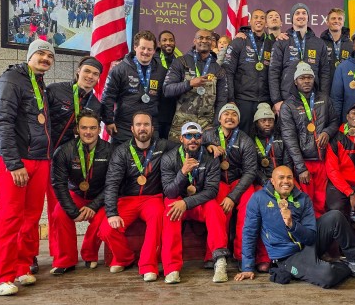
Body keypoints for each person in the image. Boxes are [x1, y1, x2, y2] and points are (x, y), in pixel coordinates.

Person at [235, 165, 355, 286]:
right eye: (281, 177)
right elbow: (249, 233)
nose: (286, 181)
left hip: (309, 243)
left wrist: (292, 224)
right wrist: (247, 267)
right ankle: (345, 267)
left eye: (289, 177)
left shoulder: (302, 198)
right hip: (288, 257)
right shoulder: (258, 198)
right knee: (327, 276)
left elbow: (311, 236)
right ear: (272, 181)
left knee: (335, 216)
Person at [0, 40, 55, 296]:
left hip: (39, 159)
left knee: (30, 218)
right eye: (41, 53)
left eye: (50, 55)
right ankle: (0, 276)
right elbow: (2, 122)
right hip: (16, 160)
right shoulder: (11, 79)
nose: (45, 58)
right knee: (10, 218)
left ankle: (21, 266)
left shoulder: (39, 83)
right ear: (29, 55)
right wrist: (13, 163)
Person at [99, 111, 176, 282]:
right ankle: (125, 258)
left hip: (152, 198)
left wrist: (208, 145)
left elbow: (186, 147)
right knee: (106, 229)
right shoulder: (121, 151)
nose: (143, 128)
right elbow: (112, 183)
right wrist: (112, 213)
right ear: (132, 129)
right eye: (139, 125)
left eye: (146, 124)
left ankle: (148, 266)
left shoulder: (163, 146)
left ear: (152, 128)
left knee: (157, 217)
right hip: (127, 199)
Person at [44, 56, 102, 268]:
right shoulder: (56, 90)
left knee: (56, 208)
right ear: (78, 71)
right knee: (30, 212)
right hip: (43, 156)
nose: (90, 77)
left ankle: (58, 254)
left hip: (68, 162)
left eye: (95, 74)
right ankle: (30, 256)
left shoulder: (95, 103)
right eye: (87, 71)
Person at [161, 122, 230, 284]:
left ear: (202, 138)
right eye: (188, 136)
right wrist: (183, 173)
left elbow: (211, 191)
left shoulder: (210, 157)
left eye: (197, 136)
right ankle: (172, 268)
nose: (193, 140)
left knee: (214, 207)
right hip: (178, 202)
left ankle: (219, 261)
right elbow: (169, 191)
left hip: (197, 202)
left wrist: (187, 202)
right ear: (181, 138)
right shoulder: (169, 158)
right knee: (170, 205)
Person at [50, 110, 112, 274]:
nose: (88, 132)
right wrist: (72, 211)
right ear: (77, 129)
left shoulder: (111, 151)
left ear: (99, 129)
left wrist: (93, 205)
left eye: (92, 128)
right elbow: (59, 184)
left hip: (100, 197)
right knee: (59, 214)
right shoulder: (63, 151)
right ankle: (65, 260)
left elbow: (113, 184)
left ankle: (89, 255)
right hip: (75, 194)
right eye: (84, 128)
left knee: (102, 218)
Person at [202, 104, 258, 268]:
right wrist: (207, 147)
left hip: (239, 181)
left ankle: (243, 255)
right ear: (219, 118)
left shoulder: (245, 139)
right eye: (226, 114)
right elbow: (191, 149)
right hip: (216, 181)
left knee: (249, 207)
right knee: (217, 210)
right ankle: (213, 255)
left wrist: (233, 197)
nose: (230, 117)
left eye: (234, 115)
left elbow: (250, 171)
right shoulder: (207, 135)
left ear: (238, 120)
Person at [280, 62, 338, 216]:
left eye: (309, 78)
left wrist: (327, 132)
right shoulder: (288, 106)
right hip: (304, 162)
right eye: (302, 78)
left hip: (323, 160)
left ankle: (320, 232)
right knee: (305, 202)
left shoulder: (324, 99)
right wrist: (300, 168)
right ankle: (308, 232)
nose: (306, 81)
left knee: (321, 200)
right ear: (295, 81)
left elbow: (334, 122)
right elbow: (289, 138)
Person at [101, 30, 167, 146]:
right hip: (124, 127)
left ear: (154, 50)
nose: (146, 52)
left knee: (148, 163)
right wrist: (108, 121)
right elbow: (108, 97)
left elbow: (164, 100)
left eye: (149, 49)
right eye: (143, 48)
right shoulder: (120, 70)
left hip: (149, 129)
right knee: (120, 162)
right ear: (135, 47)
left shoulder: (161, 71)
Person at [163, 29, 229, 141]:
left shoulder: (218, 69)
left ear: (212, 42)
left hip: (206, 126)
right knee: (178, 157)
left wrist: (214, 125)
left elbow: (222, 100)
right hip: (181, 125)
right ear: (194, 41)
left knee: (207, 156)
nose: (204, 40)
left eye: (208, 38)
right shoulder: (181, 62)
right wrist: (189, 83)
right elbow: (167, 90)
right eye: (200, 38)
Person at [269, 3, 330, 115]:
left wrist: (323, 97)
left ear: (308, 17)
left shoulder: (319, 43)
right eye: (297, 13)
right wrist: (276, 100)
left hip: (313, 97)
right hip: (287, 97)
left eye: (304, 13)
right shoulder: (282, 41)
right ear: (292, 18)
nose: (300, 16)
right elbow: (274, 72)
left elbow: (325, 73)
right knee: (288, 131)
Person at [223, 9, 274, 135]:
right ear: (250, 21)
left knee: (264, 137)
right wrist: (230, 98)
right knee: (241, 136)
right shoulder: (239, 41)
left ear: (266, 22)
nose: (259, 20)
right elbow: (228, 71)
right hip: (243, 100)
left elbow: (276, 74)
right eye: (256, 17)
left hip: (265, 100)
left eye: (262, 18)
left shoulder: (272, 43)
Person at [325, 102, 355, 220]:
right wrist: (350, 192)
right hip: (342, 184)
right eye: (354, 113)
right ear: (347, 117)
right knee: (337, 210)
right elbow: (332, 170)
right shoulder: (336, 137)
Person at [251, 103, 291, 189]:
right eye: (263, 121)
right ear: (257, 123)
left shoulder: (282, 138)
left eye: (270, 120)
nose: (267, 124)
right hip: (262, 182)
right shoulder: (251, 142)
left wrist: (283, 179)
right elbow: (253, 168)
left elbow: (287, 163)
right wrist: (266, 182)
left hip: (283, 180)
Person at [155, 30, 182, 139]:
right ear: (159, 43)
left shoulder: (180, 62)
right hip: (155, 114)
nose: (168, 43)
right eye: (164, 40)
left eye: (171, 40)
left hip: (172, 114)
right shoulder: (153, 60)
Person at [319, 8, 353, 88]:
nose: (336, 21)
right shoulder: (320, 43)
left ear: (343, 22)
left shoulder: (351, 44)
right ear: (327, 22)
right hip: (325, 88)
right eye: (333, 18)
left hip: (345, 87)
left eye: (339, 19)